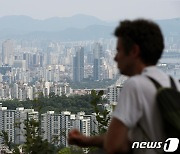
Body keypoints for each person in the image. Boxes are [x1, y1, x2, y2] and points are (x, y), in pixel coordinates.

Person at [68, 19, 180, 154]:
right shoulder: (173, 83)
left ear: (134, 51)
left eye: (119, 51)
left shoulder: (135, 85)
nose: (115, 58)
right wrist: (87, 141)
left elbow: (113, 146)